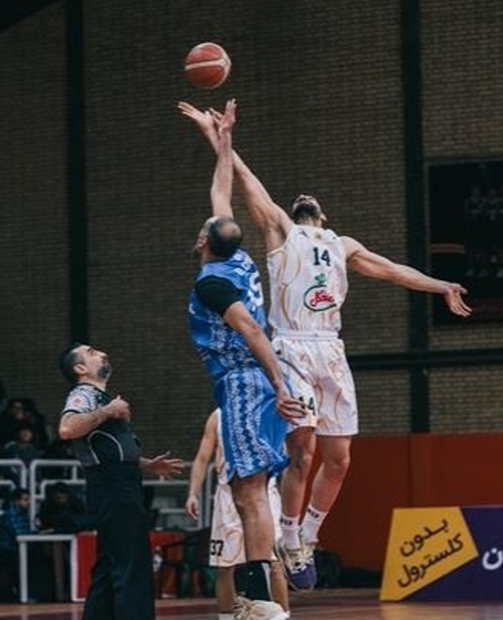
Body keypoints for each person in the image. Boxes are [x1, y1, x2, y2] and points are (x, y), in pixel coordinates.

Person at [180, 99, 473, 590]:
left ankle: (307, 536)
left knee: (340, 460)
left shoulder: (343, 245)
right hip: (291, 347)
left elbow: (393, 270)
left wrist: (440, 285)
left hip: (331, 350)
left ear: (325, 215)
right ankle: (289, 536)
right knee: (304, 449)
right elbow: (242, 181)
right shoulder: (281, 229)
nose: (304, 197)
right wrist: (219, 138)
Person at [182, 99, 303, 620]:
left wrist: (279, 385)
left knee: (250, 492)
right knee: (243, 488)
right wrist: (220, 137)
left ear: (204, 240)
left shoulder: (213, 283)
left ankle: (261, 600)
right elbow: (221, 192)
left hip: (247, 381)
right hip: (253, 382)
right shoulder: (240, 257)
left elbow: (253, 331)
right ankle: (257, 597)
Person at [57, 343, 184, 620]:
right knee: (132, 562)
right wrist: (108, 411)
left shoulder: (102, 398)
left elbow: (110, 449)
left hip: (121, 482)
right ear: (80, 368)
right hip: (112, 486)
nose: (102, 353)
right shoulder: (84, 394)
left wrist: (146, 464)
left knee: (111, 563)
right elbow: (67, 428)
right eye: (92, 353)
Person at [186, 409, 290, 620]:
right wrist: (192, 494)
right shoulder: (218, 416)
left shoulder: (269, 408)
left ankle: (284, 614)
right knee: (225, 565)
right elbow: (202, 458)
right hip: (228, 494)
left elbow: (286, 457)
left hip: (264, 493)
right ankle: (226, 618)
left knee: (274, 564)